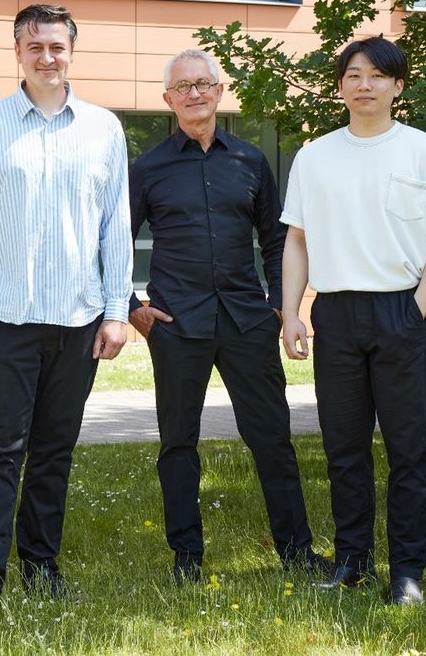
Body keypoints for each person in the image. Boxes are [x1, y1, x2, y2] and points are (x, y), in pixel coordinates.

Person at [0, 3, 134, 626]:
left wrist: (115, 311)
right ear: (17, 52)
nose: (46, 57)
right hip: (4, 318)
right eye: (35, 46)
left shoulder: (104, 129)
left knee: (55, 451)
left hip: (79, 320)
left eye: (57, 46)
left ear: (72, 52)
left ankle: (41, 564)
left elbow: (116, 229)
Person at [280, 36, 426, 606]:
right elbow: (296, 241)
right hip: (335, 313)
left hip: (399, 310)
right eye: (353, 75)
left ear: (397, 85)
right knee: (344, 448)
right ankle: (351, 562)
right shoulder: (315, 156)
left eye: (377, 75)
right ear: (340, 86)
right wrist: (290, 312)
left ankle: (407, 573)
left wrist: (415, 307)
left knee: (409, 448)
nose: (364, 85)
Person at [128, 49, 327, 584]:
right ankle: (186, 559)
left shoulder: (250, 161)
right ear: (168, 99)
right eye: (183, 86)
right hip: (176, 327)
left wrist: (280, 310)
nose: (194, 93)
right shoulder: (146, 169)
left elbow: (276, 240)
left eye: (203, 84)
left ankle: (296, 551)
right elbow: (111, 245)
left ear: (220, 92)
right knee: (178, 443)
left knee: (272, 439)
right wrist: (133, 312)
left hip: (247, 322)